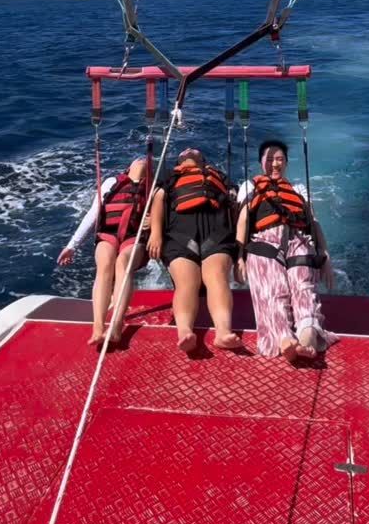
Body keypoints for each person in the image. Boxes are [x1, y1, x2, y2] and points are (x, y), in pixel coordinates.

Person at [234, 139, 338, 362]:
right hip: (265, 241)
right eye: (270, 159)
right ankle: (284, 340)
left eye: (280, 159)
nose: (275, 164)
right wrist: (239, 256)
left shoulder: (298, 189)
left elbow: (313, 222)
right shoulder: (249, 186)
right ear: (261, 163)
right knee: (273, 290)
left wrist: (325, 254)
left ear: (287, 163)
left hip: (298, 240)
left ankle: (307, 338)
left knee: (304, 290)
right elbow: (243, 219)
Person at [147, 148, 240, 354]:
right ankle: (185, 332)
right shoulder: (170, 178)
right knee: (186, 281)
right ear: (179, 161)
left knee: (217, 276)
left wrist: (240, 250)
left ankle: (223, 332)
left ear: (203, 161)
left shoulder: (220, 177)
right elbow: (158, 200)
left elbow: (234, 205)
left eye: (194, 150)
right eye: (185, 151)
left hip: (216, 233)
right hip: (180, 234)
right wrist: (155, 233)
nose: (189, 150)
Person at [57, 157, 149, 348]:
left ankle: (116, 325)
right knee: (105, 264)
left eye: (146, 161)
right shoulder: (111, 183)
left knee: (122, 263)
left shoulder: (154, 187)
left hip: (135, 237)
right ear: (128, 167)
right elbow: (93, 214)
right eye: (137, 159)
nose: (142, 159)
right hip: (108, 234)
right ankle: (98, 326)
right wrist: (72, 246)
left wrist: (155, 224)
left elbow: (164, 217)